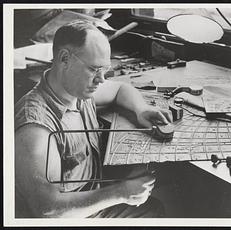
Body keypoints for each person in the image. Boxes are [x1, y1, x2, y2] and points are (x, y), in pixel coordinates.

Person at [14, 20, 172, 218]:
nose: (101, 79)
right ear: (64, 59)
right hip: (69, 217)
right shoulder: (36, 130)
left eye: (104, 69)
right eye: (94, 69)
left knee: (154, 206)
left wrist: (141, 110)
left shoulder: (76, 91)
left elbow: (120, 89)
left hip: (86, 193)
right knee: (153, 212)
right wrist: (120, 192)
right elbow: (48, 211)